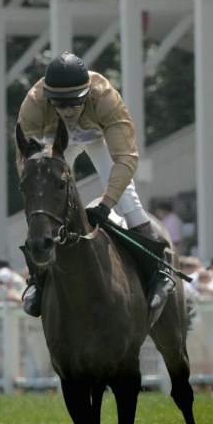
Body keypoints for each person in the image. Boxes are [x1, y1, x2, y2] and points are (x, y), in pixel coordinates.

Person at [16, 52, 175, 318]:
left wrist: (106, 204)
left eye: (74, 103)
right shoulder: (33, 103)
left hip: (98, 137)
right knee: (43, 206)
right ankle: (38, 281)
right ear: (48, 96)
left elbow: (125, 159)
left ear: (87, 93)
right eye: (60, 103)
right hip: (55, 141)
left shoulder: (105, 97)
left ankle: (160, 270)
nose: (67, 111)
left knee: (128, 202)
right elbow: (27, 164)